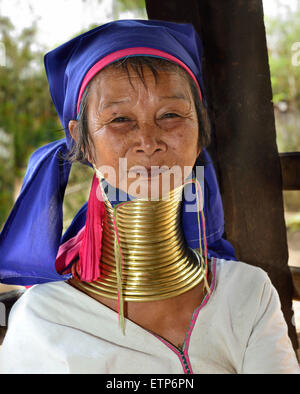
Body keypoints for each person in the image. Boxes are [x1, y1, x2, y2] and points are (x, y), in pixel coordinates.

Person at [0, 20, 299, 374]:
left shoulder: (248, 292)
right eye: (120, 119)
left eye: (171, 115)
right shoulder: (44, 318)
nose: (149, 140)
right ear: (81, 140)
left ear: (201, 128)